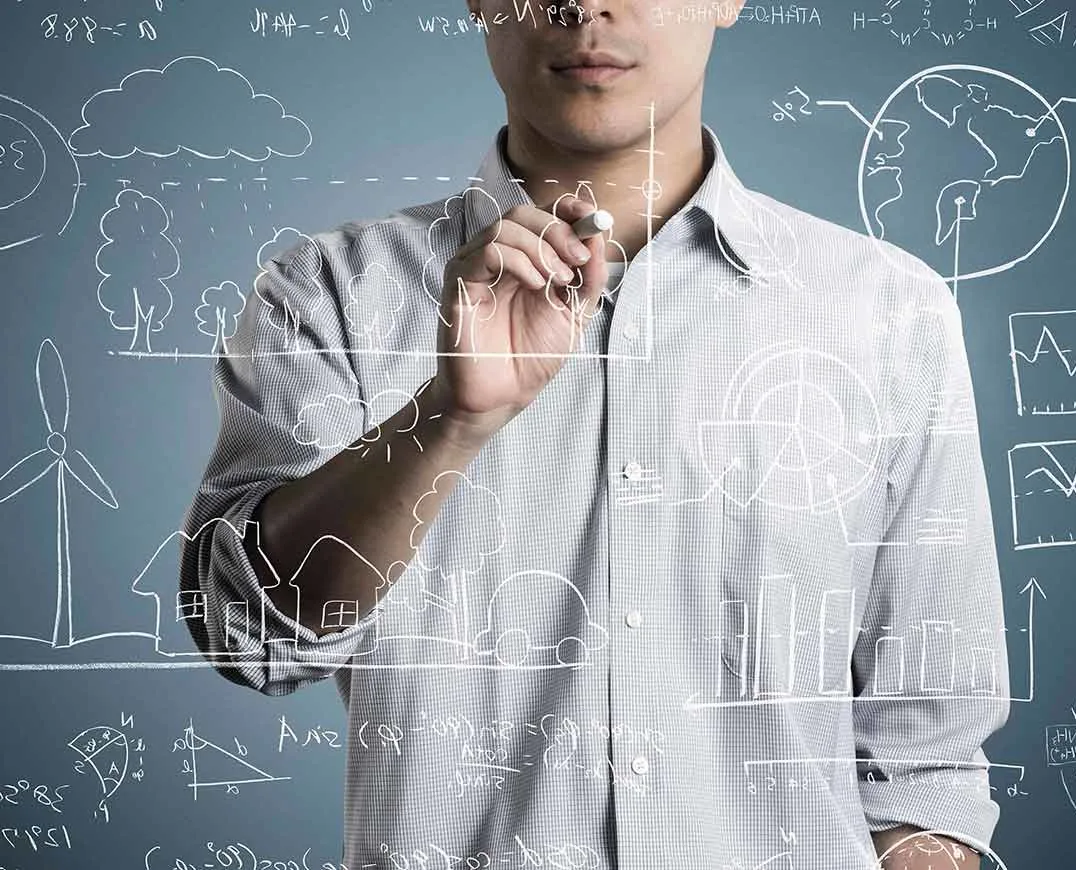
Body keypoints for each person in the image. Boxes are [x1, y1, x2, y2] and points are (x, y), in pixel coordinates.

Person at [178, 1, 1010, 868]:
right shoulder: (329, 294)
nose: (584, 7)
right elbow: (252, 640)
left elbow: (927, 760)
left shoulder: (886, 311)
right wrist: (447, 421)